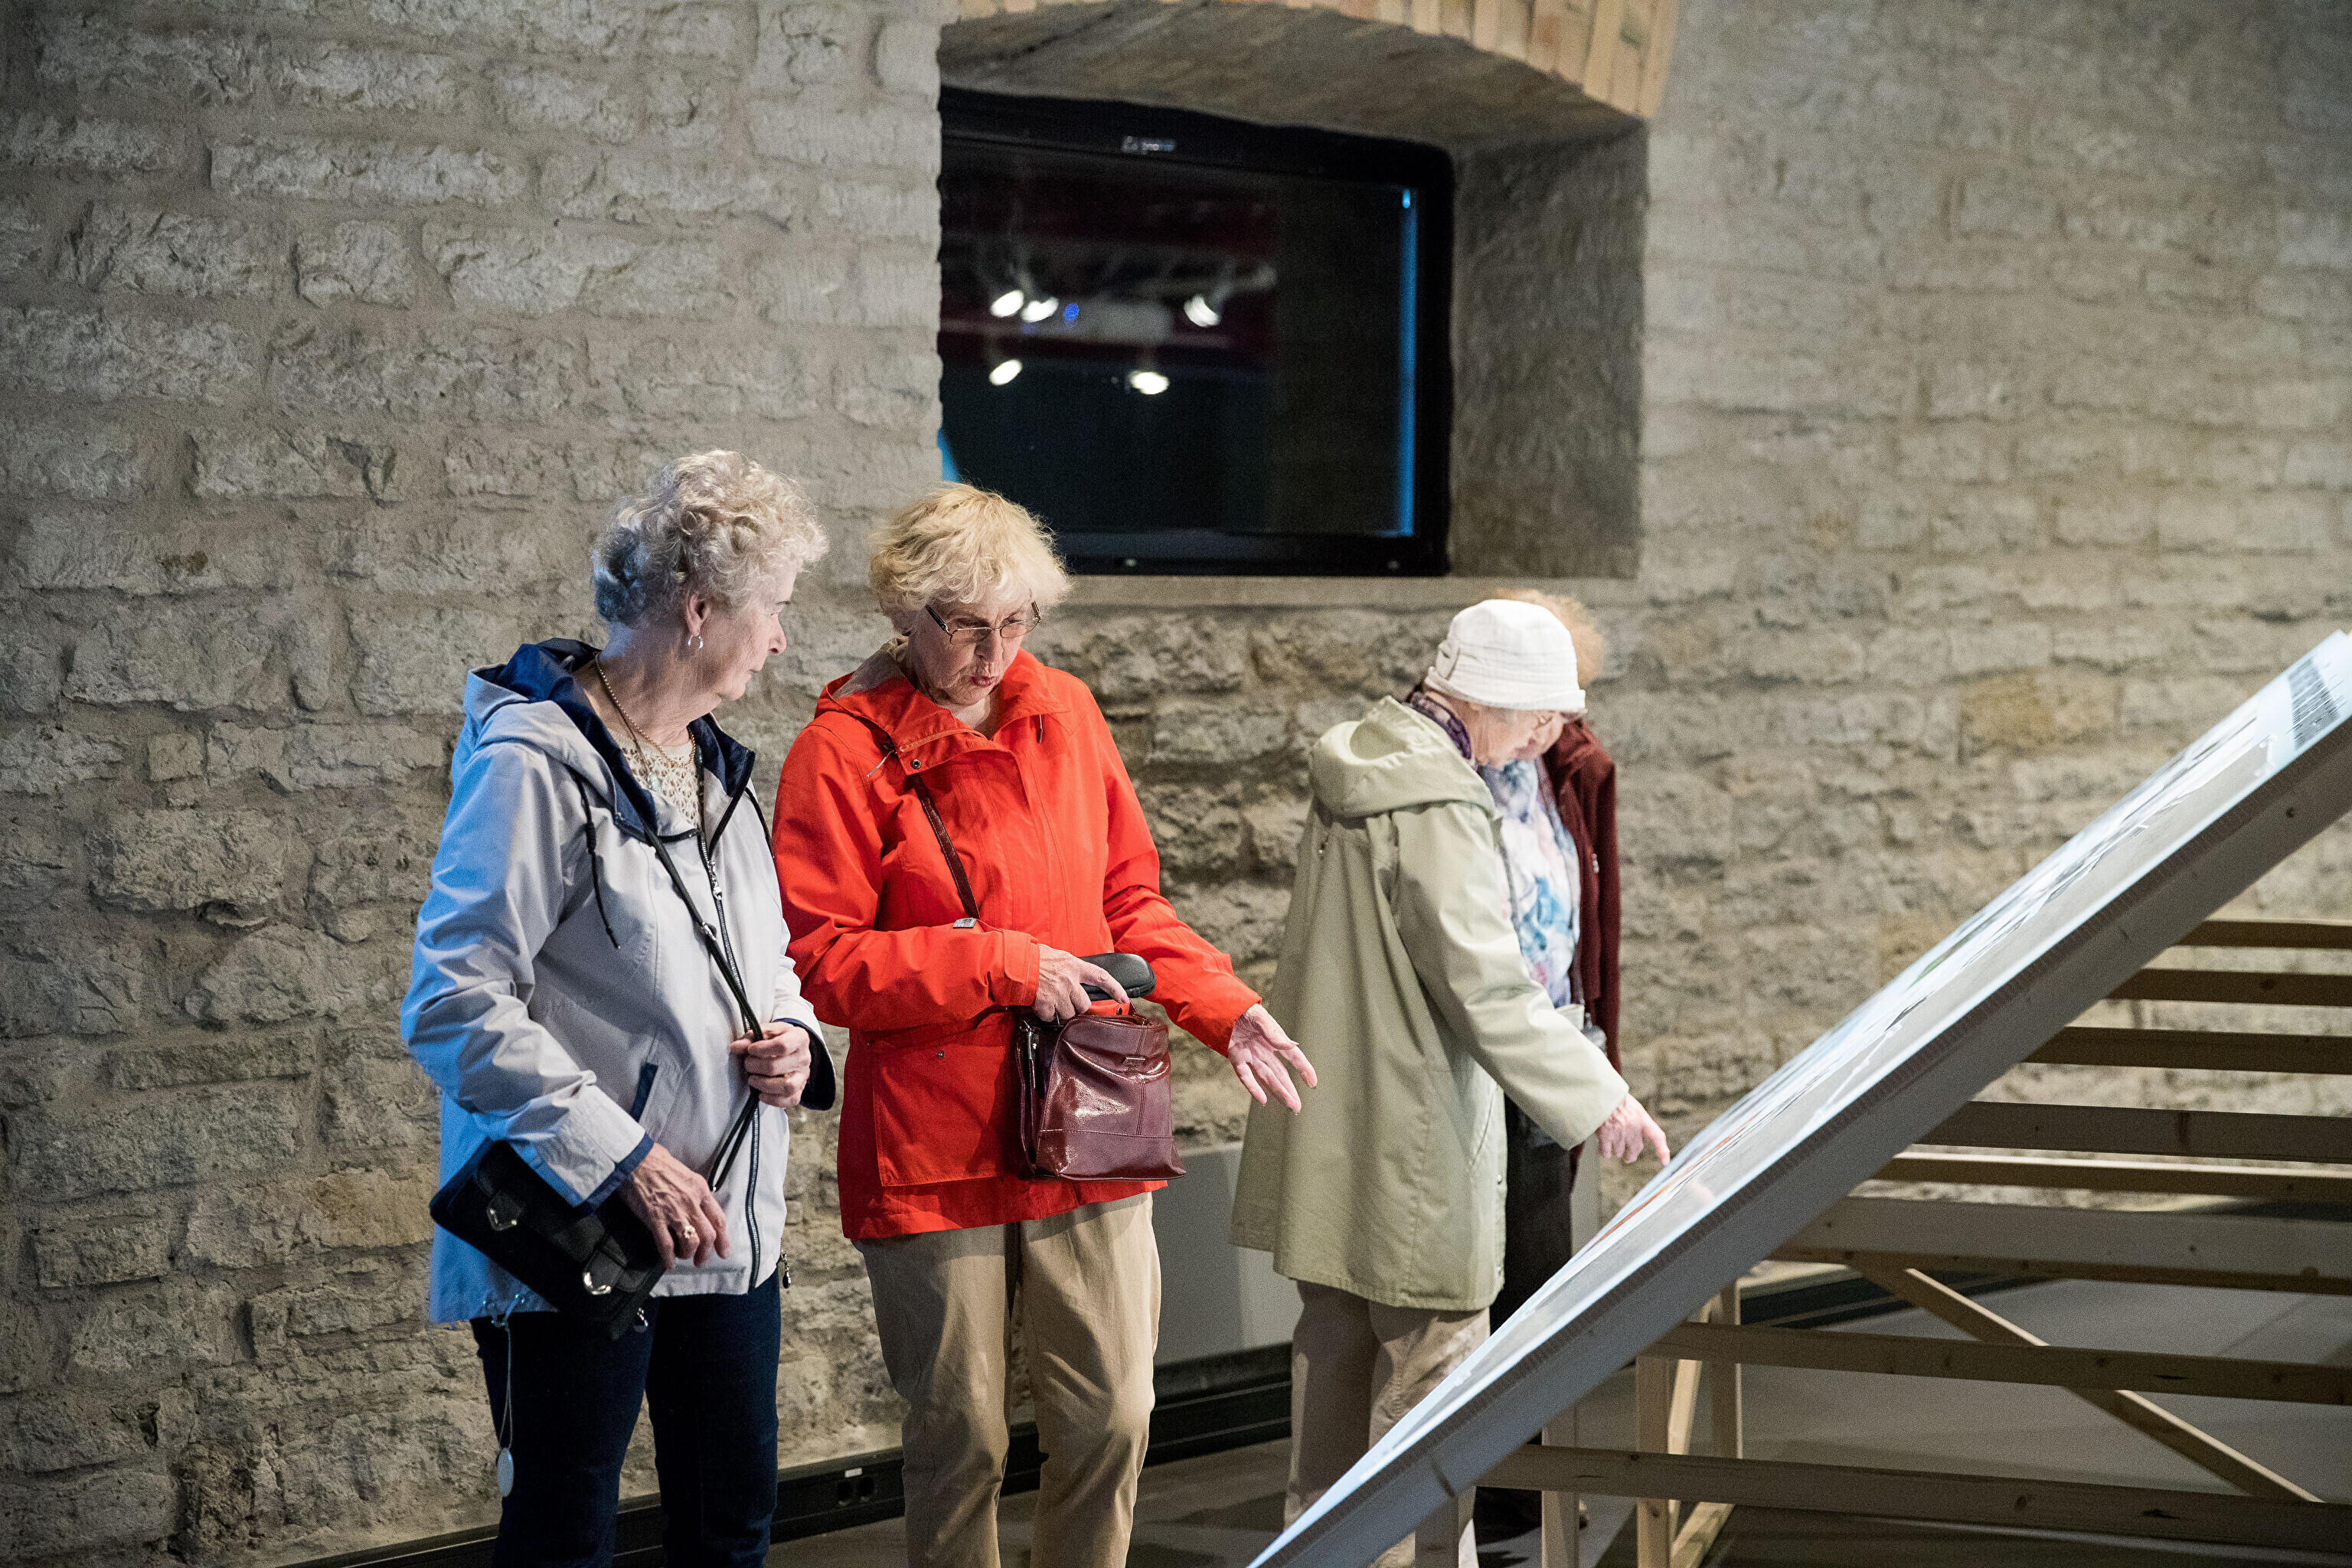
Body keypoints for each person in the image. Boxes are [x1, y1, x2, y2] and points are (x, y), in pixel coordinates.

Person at [769, 482, 1315, 1568]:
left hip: (1086, 1116)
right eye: (967, 625)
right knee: (959, 1439)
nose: (994, 652)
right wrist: (1007, 964)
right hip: (931, 1140)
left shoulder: (1065, 711)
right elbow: (821, 961)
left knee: (1113, 1416)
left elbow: (1131, 903)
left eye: (1016, 622)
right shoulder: (838, 752)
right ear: (903, 611)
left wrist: (1227, 1007)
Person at [403, 451, 835, 1567]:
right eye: (774, 609)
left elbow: (763, 961)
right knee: (565, 1538)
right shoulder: (533, 763)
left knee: (729, 1528)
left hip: (725, 1225)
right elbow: (452, 1001)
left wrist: (797, 1037)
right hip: (578, 1222)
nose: (780, 639)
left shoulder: (720, 769)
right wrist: (623, 1158)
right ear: (699, 611)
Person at [1231, 598, 1671, 1568]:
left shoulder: (1361, 764)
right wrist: (1602, 1095)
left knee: (1334, 1365)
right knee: (1434, 1382)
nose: (1547, 737)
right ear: (1493, 699)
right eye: (1542, 716)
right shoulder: (1442, 801)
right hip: (1417, 1138)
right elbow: (1486, 985)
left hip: (1335, 1123)